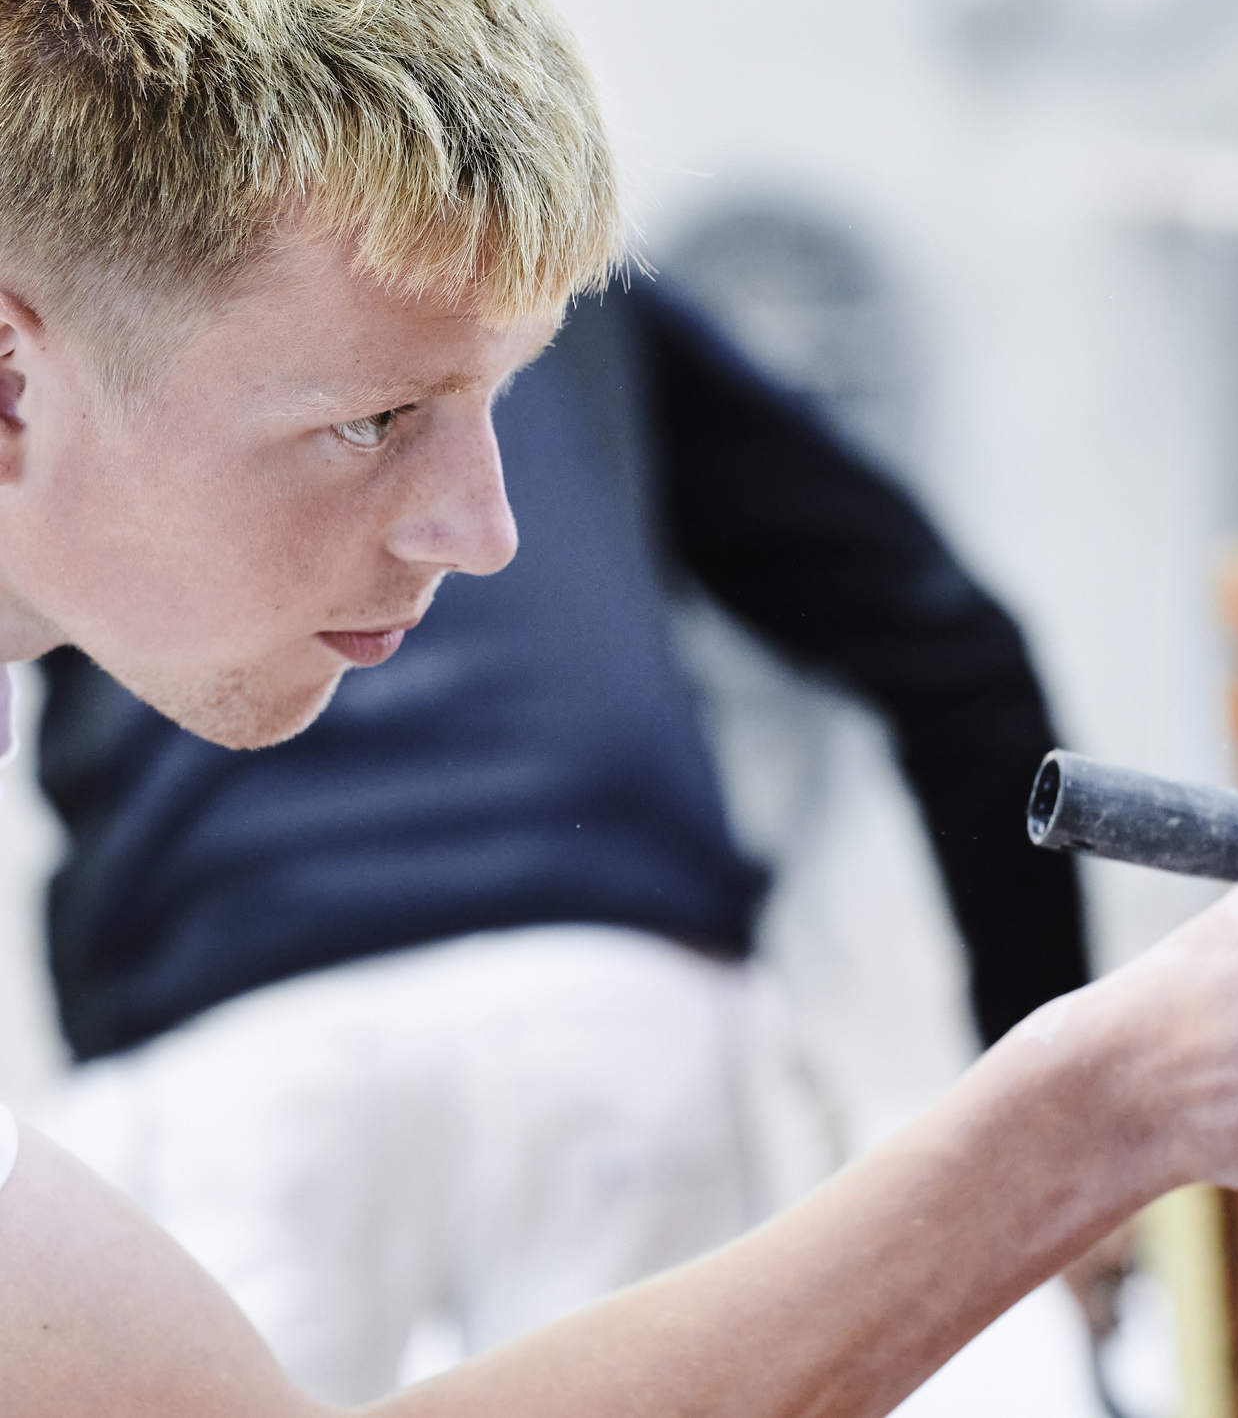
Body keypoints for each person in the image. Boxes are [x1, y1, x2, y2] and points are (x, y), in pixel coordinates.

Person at [0, 0, 1238, 1418]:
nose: (488, 533)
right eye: (371, 422)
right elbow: (947, 646)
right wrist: (1111, 1098)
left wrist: (1116, 1091)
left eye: (504, 398)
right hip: (582, 996)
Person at [29, 271, 1091, 1402]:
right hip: (611, 987)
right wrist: (1059, 1121)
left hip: (222, 1011)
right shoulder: (550, 283)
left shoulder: (113, 279)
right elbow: (955, 652)